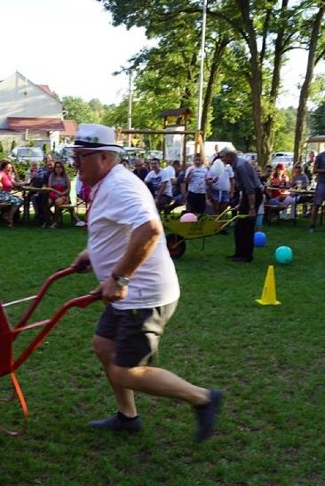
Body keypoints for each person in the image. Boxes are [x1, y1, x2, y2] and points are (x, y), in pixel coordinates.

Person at [68, 123, 222, 442]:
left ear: (105, 158)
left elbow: (149, 230)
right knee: (103, 346)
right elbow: (120, 231)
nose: (75, 164)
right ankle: (128, 417)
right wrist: (93, 254)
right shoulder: (107, 183)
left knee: (127, 370)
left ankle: (204, 398)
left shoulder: (120, 186)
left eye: (80, 157)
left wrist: (118, 277)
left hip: (143, 295)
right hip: (127, 292)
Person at [219, 145, 262, 262]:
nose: (222, 159)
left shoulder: (240, 167)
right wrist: (241, 202)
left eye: (223, 157)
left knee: (247, 227)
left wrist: (251, 207)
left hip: (253, 195)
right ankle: (239, 253)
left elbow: (250, 188)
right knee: (239, 227)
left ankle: (247, 256)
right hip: (247, 196)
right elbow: (244, 188)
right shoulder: (236, 165)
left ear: (229, 156)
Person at [46, 161, 84, 228]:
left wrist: (62, 193)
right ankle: (48, 219)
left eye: (60, 167)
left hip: (64, 195)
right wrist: (57, 192)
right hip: (53, 193)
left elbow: (68, 188)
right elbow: (49, 188)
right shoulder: (52, 176)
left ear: (62, 168)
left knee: (57, 202)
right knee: (47, 203)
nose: (58, 168)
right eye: (57, 167)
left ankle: (56, 222)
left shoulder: (65, 176)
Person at [0, 159, 25, 228]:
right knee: (17, 201)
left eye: (11, 168)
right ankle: (10, 218)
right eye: (8, 168)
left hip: (4, 194)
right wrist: (1, 186)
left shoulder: (8, 175)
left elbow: (15, 184)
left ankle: (7, 215)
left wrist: (26, 182)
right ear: (3, 168)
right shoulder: (1, 173)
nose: (10, 169)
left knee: (20, 200)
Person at [206, 149, 233, 216]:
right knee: (216, 208)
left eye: (224, 157)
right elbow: (207, 181)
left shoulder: (228, 167)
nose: (223, 159)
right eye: (221, 157)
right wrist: (212, 181)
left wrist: (232, 191)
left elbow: (232, 179)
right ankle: (215, 224)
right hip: (216, 190)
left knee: (223, 209)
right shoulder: (213, 168)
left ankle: (221, 225)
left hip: (225, 191)